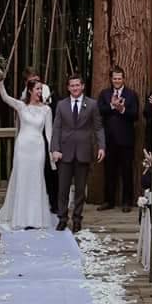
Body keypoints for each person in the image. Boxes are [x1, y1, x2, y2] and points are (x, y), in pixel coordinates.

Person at [0, 74, 56, 230]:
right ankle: (20, 217)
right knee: (22, 177)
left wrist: (52, 154)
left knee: (36, 179)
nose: (40, 92)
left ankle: (35, 218)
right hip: (23, 146)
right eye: (37, 89)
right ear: (30, 91)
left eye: (41, 89)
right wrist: (0, 82)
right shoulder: (21, 106)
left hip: (38, 148)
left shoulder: (46, 110)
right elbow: (5, 97)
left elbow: (49, 134)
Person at [51, 73, 106, 233]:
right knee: (63, 189)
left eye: (77, 85)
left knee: (80, 190)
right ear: (68, 88)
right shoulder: (61, 105)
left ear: (82, 86)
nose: (75, 88)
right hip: (64, 152)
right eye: (72, 85)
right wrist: (55, 149)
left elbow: (98, 127)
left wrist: (102, 146)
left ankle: (77, 219)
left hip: (84, 151)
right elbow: (56, 128)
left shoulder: (92, 104)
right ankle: (62, 218)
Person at [98, 65, 140, 213]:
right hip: (109, 140)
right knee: (109, 172)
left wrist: (122, 109)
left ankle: (127, 202)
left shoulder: (131, 94)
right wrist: (112, 106)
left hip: (126, 140)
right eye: (114, 78)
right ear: (111, 79)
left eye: (119, 78)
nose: (117, 81)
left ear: (123, 79)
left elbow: (135, 114)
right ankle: (108, 201)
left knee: (127, 171)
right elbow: (100, 111)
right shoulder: (104, 94)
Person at [20, 67, 58, 212]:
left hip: (46, 134)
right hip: (30, 137)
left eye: (36, 79)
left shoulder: (47, 90)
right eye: (31, 81)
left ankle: (53, 204)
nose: (35, 83)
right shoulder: (24, 95)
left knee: (49, 171)